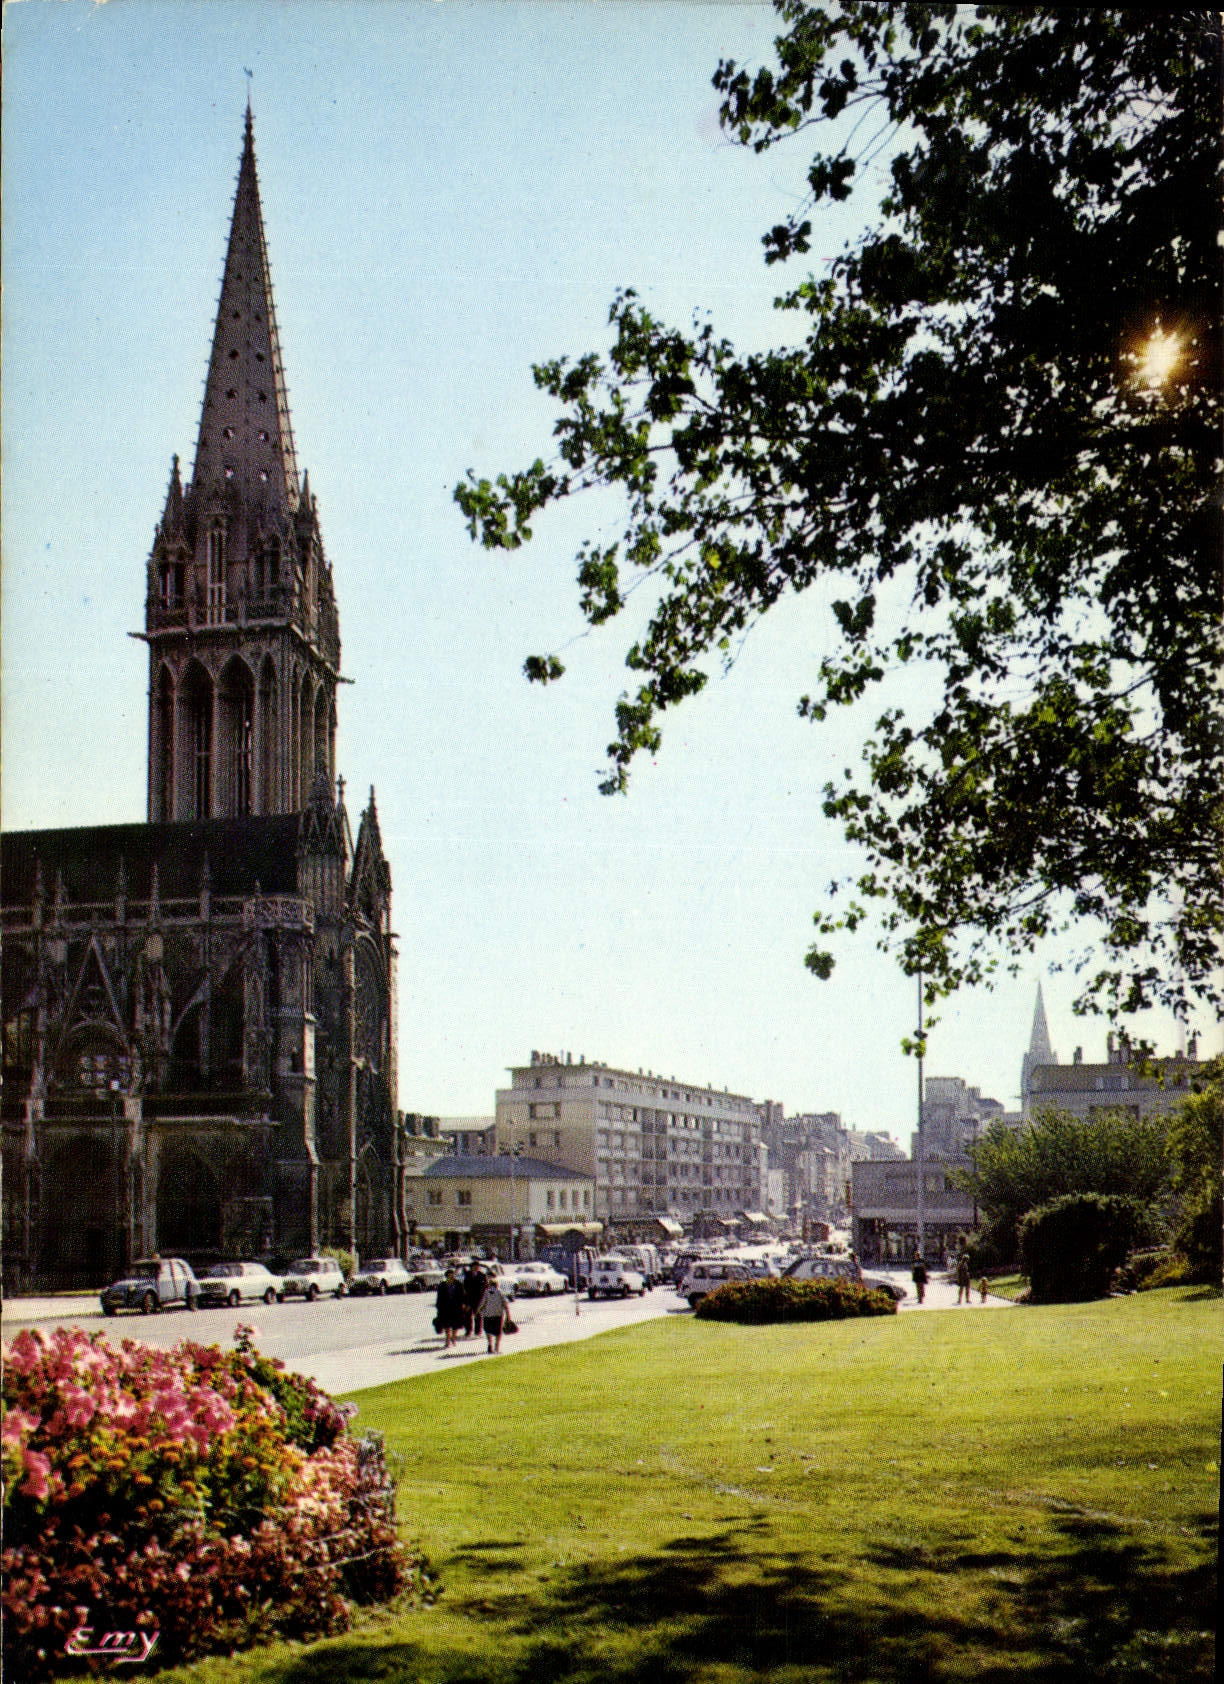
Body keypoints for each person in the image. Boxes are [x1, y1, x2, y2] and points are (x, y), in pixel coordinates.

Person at [477, 1274, 511, 1354]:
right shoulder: (500, 1292)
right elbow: (505, 1304)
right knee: (498, 1331)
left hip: (488, 1315)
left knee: (487, 1330)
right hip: (498, 1315)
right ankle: (497, 1347)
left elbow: (482, 1303)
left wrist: (478, 1311)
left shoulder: (486, 1292)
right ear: (497, 1285)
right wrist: (508, 1314)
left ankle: (490, 1344)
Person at [435, 1267, 465, 1350]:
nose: (452, 1277)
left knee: (456, 1325)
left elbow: (463, 1295)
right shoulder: (442, 1285)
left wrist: (463, 1304)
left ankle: (453, 1338)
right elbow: (439, 1298)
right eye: (450, 1276)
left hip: (456, 1307)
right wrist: (439, 1307)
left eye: (453, 1275)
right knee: (447, 1325)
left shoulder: (458, 1284)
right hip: (446, 1308)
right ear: (447, 1277)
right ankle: (447, 1341)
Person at [463, 1261, 486, 1338]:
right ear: (471, 1267)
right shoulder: (467, 1275)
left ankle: (478, 1331)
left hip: (479, 1299)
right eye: (475, 1266)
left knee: (478, 1316)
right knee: (467, 1316)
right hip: (469, 1299)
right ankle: (468, 1331)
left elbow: (484, 1288)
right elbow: (465, 1288)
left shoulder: (482, 1275)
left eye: (478, 1266)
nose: (476, 1268)